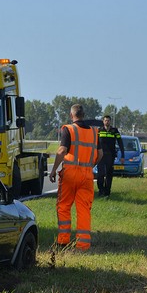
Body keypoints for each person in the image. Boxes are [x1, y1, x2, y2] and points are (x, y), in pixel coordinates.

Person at [49, 104, 103, 251]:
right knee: (84, 209)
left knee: (64, 206)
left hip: (70, 173)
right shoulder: (94, 132)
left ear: (71, 115)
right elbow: (101, 154)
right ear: (83, 115)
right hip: (87, 175)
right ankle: (83, 244)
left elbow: (62, 150)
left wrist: (53, 170)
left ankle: (63, 241)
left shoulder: (68, 129)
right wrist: (90, 166)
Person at [97, 115, 125, 198]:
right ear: (103, 121)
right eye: (105, 120)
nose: (107, 122)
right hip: (101, 156)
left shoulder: (114, 131)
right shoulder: (99, 130)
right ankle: (101, 190)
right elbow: (95, 142)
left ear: (110, 121)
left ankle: (107, 192)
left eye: (108, 120)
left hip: (111, 156)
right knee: (100, 174)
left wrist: (122, 155)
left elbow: (120, 142)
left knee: (109, 174)